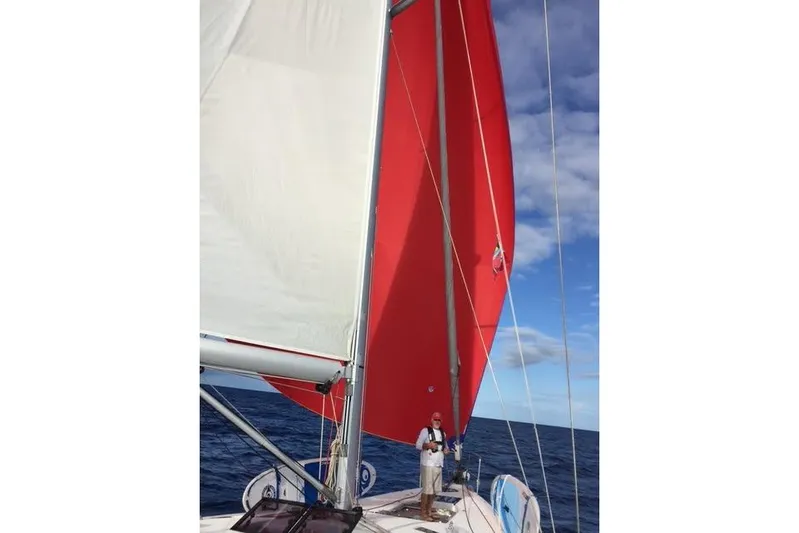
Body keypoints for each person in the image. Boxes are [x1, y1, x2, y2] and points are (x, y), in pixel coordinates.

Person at [415, 411, 450, 521]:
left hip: (439, 465)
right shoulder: (425, 431)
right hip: (428, 464)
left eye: (439, 420)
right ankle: (423, 513)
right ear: (431, 420)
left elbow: (445, 447)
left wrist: (446, 450)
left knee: (434, 491)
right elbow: (417, 445)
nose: (437, 421)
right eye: (435, 419)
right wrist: (428, 445)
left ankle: (429, 511)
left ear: (441, 421)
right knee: (427, 490)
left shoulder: (443, 434)